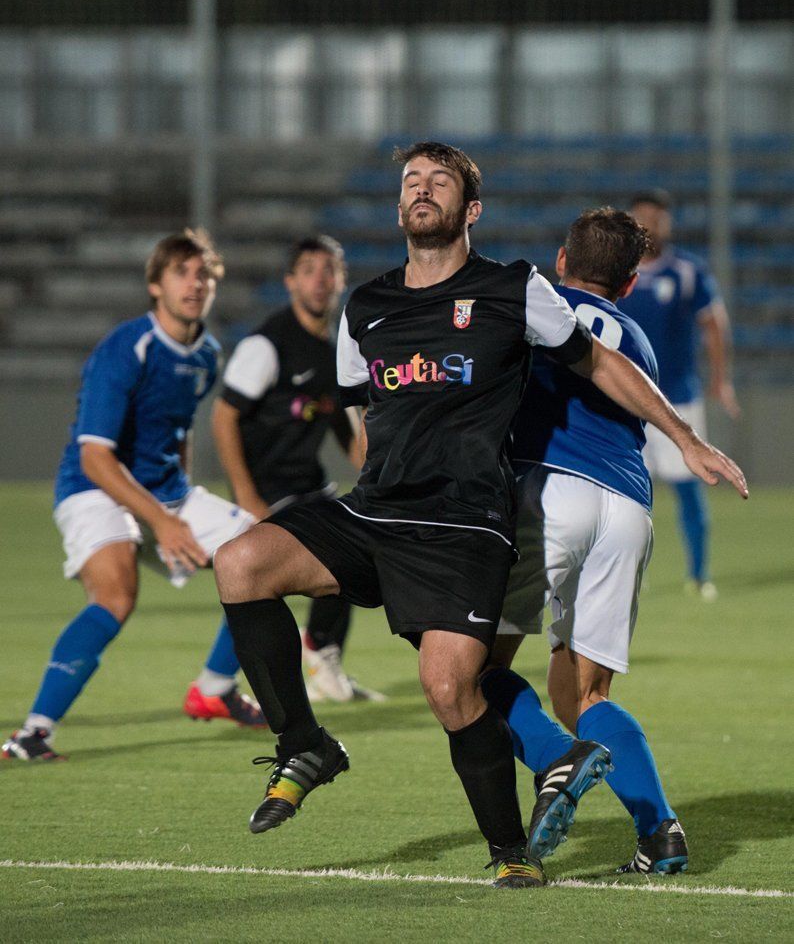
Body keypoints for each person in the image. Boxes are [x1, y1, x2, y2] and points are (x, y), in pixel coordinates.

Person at [212, 143, 747, 889]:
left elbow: (590, 359)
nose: (421, 190)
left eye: (440, 181)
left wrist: (686, 437)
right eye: (410, 181)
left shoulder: (514, 288)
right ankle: (306, 743)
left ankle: (524, 823)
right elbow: (364, 412)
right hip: (445, 508)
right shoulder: (365, 305)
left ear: (473, 210)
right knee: (240, 562)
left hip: (483, 514)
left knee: (459, 684)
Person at [484, 207, 703, 876]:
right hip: (628, 507)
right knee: (583, 695)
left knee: (471, 672)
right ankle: (659, 833)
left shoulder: (533, 308)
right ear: (630, 283)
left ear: (560, 260)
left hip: (549, 493)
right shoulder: (637, 338)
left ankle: (558, 760)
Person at [3, 229, 264, 763]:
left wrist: (181, 500)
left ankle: (215, 688)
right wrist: (164, 525)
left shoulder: (208, 354)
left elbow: (180, 428)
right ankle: (33, 733)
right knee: (117, 596)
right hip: (94, 489)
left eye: (204, 275)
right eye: (181, 273)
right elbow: (95, 456)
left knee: (265, 554)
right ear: (155, 284)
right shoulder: (126, 348)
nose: (194, 284)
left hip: (166, 494)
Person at [186, 234, 381, 719]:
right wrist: (248, 497)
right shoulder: (267, 344)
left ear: (341, 280)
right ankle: (234, 679)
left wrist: (382, 476)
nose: (321, 279)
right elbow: (223, 418)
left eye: (330, 269)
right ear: (290, 281)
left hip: (307, 486)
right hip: (270, 491)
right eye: (310, 269)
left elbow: (346, 430)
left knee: (357, 535)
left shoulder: (335, 350)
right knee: (271, 575)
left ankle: (319, 656)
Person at [620, 189, 740, 600]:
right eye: (642, 216)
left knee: (689, 486)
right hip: (624, 401)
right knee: (626, 492)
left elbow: (714, 324)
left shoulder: (689, 271)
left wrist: (721, 379)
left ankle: (698, 574)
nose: (650, 224)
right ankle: (628, 570)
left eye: (658, 216)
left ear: (669, 222)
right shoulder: (617, 270)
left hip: (678, 400)